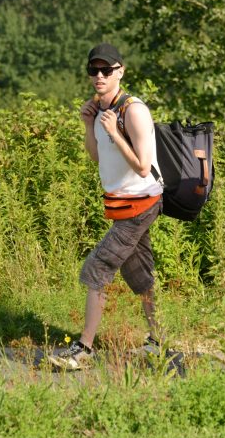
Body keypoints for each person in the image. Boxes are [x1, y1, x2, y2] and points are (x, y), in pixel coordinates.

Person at [48, 43, 164, 370]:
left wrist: (115, 131)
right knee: (139, 275)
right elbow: (99, 157)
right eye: (93, 70)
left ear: (120, 72)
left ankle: (84, 348)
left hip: (141, 203)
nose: (99, 76)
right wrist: (91, 125)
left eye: (106, 70)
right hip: (121, 204)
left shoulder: (134, 110)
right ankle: (158, 341)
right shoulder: (99, 111)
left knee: (97, 268)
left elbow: (143, 166)